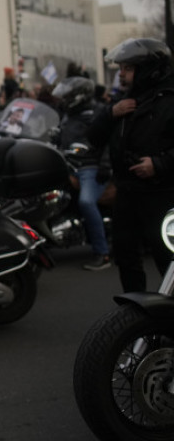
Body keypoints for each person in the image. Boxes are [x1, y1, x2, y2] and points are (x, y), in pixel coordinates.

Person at [88, 38, 174, 294]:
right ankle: (138, 319)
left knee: (166, 260)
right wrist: (110, 114)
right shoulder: (123, 101)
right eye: (120, 69)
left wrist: (159, 164)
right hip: (126, 192)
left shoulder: (169, 101)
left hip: (161, 195)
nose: (121, 75)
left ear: (148, 69)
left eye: (127, 69)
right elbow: (93, 136)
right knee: (125, 256)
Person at [52, 76, 111, 270]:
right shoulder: (68, 115)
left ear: (79, 96)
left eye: (68, 96)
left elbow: (108, 141)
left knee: (86, 201)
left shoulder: (98, 112)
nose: (64, 99)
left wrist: (104, 166)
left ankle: (102, 253)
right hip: (68, 165)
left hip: (89, 167)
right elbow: (61, 137)